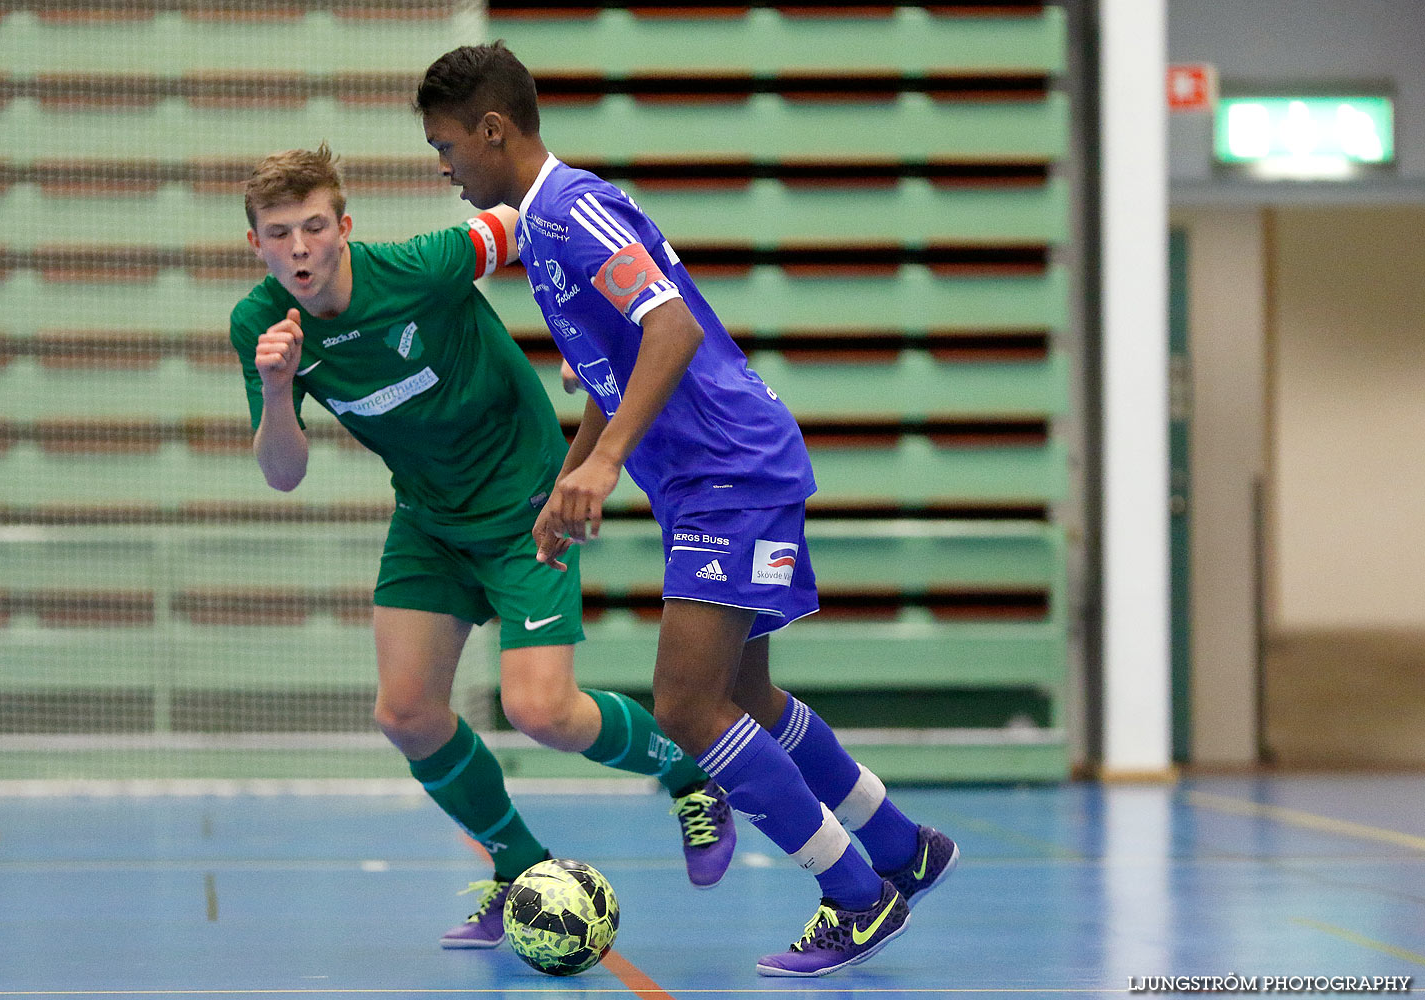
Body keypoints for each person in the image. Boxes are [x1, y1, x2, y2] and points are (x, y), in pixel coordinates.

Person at [415, 42, 961, 979]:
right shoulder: (548, 228)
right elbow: (613, 361)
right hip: (718, 476)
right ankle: (903, 846)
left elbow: (670, 327)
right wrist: (574, 473)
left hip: (728, 474)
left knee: (686, 705)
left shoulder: (574, 211)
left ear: (494, 130)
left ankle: (859, 898)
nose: (444, 166)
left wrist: (612, 461)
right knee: (744, 696)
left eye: (447, 145)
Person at [228, 143, 736, 949]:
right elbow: (283, 473)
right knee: (406, 713)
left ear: (343, 227)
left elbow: (535, 218)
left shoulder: (427, 264)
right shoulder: (261, 326)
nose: (299, 248)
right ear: (256, 243)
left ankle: (689, 775)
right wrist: (282, 388)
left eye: (314, 227)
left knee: (542, 711)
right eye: (280, 232)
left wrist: (593, 338)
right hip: (429, 518)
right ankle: (517, 866)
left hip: (525, 501)